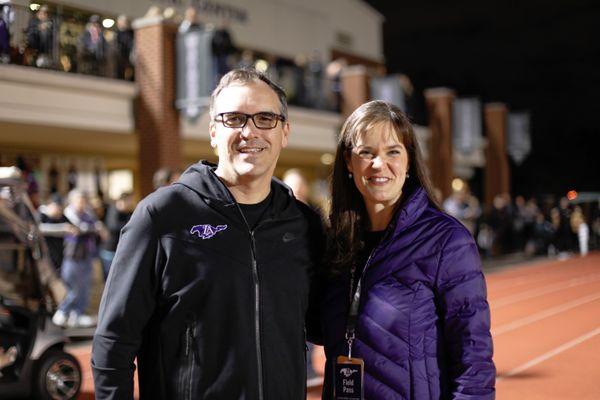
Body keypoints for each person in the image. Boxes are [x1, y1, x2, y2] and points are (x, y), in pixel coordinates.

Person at [92, 68, 323, 399]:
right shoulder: (162, 216)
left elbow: (324, 323)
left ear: (284, 132)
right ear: (214, 132)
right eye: (234, 119)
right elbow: (114, 340)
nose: (249, 131)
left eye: (265, 119)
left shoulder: (303, 225)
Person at [321, 100, 495, 399]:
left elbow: (473, 356)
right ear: (349, 162)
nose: (379, 164)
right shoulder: (338, 243)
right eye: (366, 152)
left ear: (410, 161)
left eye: (393, 152)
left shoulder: (446, 241)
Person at [52, 189, 106, 328]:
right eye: (79, 200)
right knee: (72, 288)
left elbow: (97, 226)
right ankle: (63, 311)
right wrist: (91, 229)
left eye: (83, 200)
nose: (82, 203)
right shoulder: (68, 213)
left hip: (87, 255)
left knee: (84, 288)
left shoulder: (88, 213)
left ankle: (77, 315)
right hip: (72, 256)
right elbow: (79, 229)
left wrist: (92, 228)